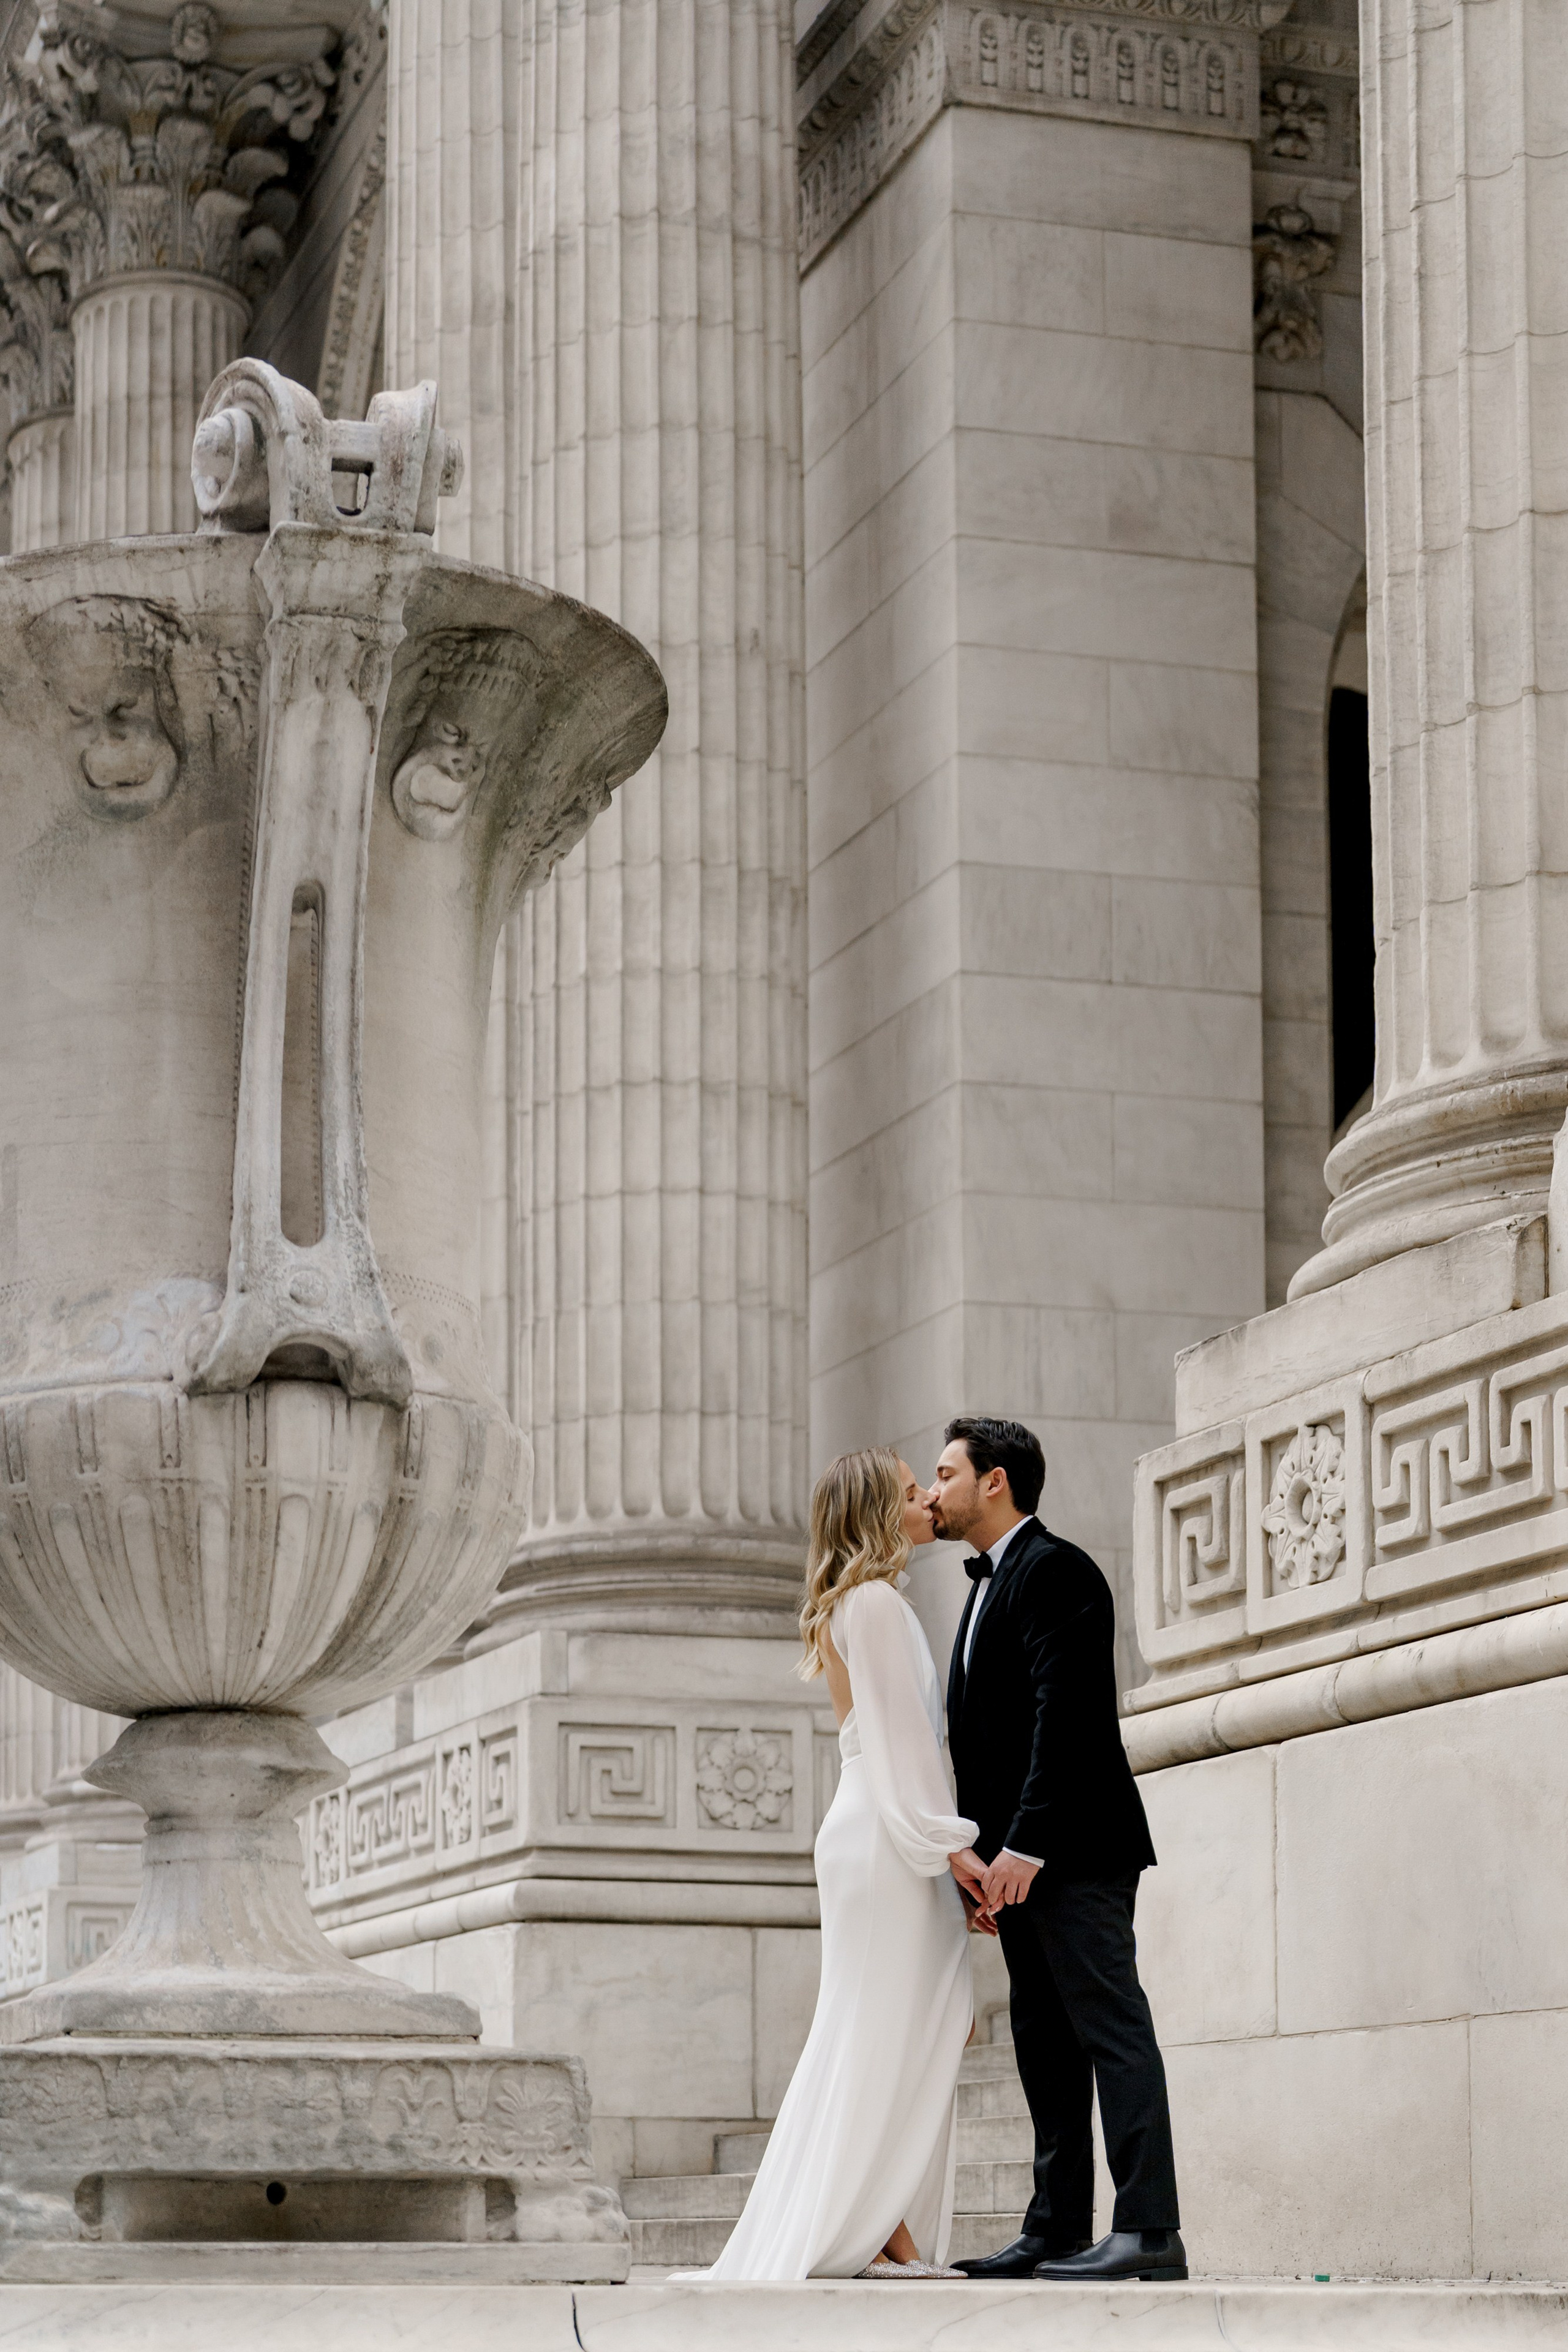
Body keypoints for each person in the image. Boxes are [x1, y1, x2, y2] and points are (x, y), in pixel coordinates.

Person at [677, 1447, 993, 2280]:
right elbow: (904, 1745)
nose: (928, 1499)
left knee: (885, 2026)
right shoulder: (876, 1604)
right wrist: (953, 1848)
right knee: (893, 2025)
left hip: (876, 1829)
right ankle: (882, 2234)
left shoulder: (855, 1604)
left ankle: (876, 2228)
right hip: (887, 1834)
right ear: (879, 1512)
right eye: (910, 1492)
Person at [932, 1414, 1187, 2285]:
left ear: (994, 1480)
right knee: (1043, 2044)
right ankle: (1057, 2228)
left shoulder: (1058, 1569)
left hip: (1073, 1851)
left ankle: (1149, 2229)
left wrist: (1028, 1844)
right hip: (1014, 1866)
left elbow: (1067, 1718)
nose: (933, 1490)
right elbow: (985, 1744)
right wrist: (979, 1859)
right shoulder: (985, 1585)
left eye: (946, 1473)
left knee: (1112, 2029)